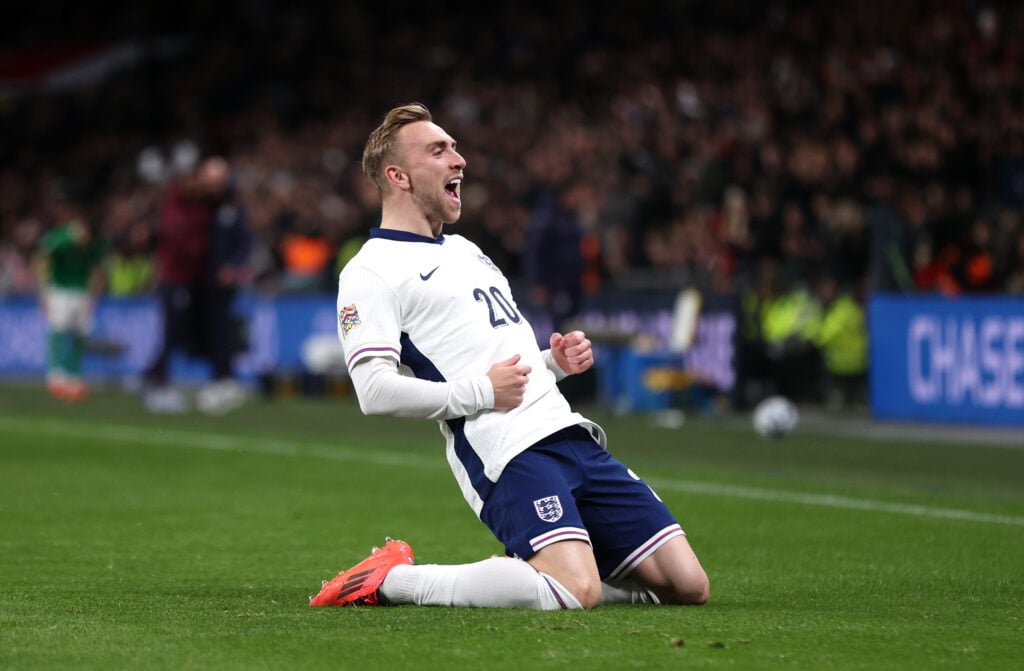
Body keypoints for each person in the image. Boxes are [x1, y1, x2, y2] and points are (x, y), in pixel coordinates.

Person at [310, 103, 709, 610]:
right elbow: (374, 391)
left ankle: (557, 579)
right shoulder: (371, 271)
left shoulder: (467, 250)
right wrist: (481, 393)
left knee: (687, 585)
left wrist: (552, 364)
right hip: (506, 450)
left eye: (454, 147)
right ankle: (390, 581)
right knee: (577, 591)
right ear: (398, 176)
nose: (460, 160)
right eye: (439, 150)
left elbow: (494, 358)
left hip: (569, 432)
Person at [142, 156, 252, 414]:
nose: (215, 186)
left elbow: (241, 239)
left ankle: (218, 381)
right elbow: (179, 238)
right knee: (175, 332)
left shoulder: (222, 204)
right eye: (211, 181)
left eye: (220, 182)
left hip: (204, 282)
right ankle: (156, 381)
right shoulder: (183, 201)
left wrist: (233, 267)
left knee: (213, 333)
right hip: (179, 278)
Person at [34, 206, 107, 401]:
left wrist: (94, 297)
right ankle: (55, 375)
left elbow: (97, 271)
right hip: (60, 290)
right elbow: (42, 261)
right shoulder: (59, 239)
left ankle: (73, 374)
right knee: (58, 329)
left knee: (81, 333)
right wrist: (43, 292)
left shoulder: (97, 243)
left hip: (82, 293)